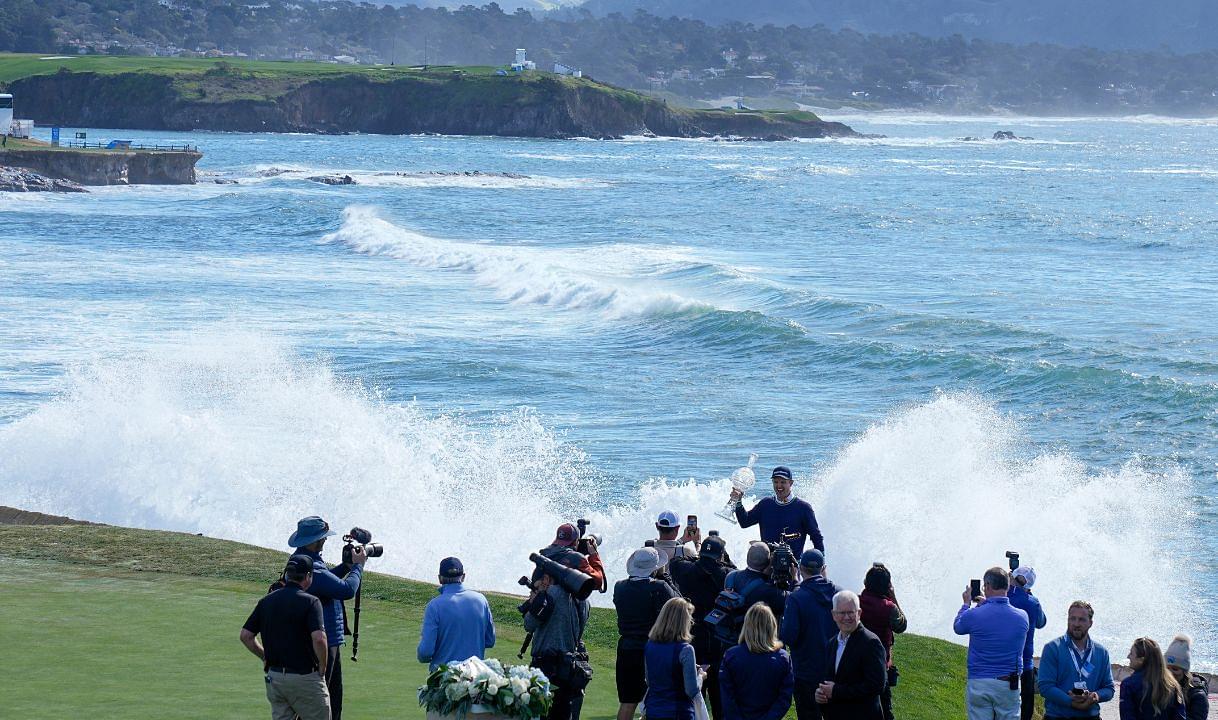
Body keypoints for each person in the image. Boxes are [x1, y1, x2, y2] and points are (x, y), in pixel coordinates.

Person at [289, 515, 365, 720]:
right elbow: (348, 590)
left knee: (330, 698)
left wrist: (345, 567)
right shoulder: (313, 566)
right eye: (322, 538)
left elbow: (325, 580)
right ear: (314, 541)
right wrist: (358, 566)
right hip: (324, 639)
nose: (325, 540)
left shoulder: (303, 560)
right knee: (323, 700)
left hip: (324, 637)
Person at [240, 554, 331, 720]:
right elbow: (319, 638)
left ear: (288, 575)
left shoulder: (266, 601)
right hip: (305, 678)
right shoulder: (311, 602)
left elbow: (246, 636)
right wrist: (323, 666)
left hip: (275, 678)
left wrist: (265, 656)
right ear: (308, 576)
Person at [953, 566, 1029, 720]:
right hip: (1008, 683)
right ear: (1007, 586)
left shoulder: (975, 614)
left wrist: (966, 604)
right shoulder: (1022, 616)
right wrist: (986, 604)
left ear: (987, 586)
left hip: (979, 681)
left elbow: (958, 627)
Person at [522, 553, 592, 720]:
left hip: (545, 666)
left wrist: (534, 600)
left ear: (547, 577)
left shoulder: (550, 594)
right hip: (568, 667)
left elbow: (529, 624)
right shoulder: (583, 601)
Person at [614, 547, 680, 720]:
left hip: (627, 648)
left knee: (628, 702)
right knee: (656, 700)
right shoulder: (659, 587)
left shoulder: (620, 586)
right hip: (653, 648)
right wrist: (665, 576)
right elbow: (680, 604)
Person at [780, 549, 842, 720]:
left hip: (806, 673)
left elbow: (788, 636)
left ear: (800, 569)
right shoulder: (840, 593)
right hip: (837, 671)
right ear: (824, 569)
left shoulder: (796, 598)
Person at [678, 535, 735, 720]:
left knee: (690, 698)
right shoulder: (726, 574)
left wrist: (692, 548)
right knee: (719, 701)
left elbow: (675, 560)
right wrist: (724, 558)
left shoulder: (684, 569)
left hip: (691, 639)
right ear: (720, 556)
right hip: (717, 641)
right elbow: (737, 573)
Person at [1037, 600, 1115, 719]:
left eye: (1082, 619)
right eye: (1072, 618)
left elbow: (1109, 688)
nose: (1076, 623)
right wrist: (1070, 702)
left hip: (1090, 716)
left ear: (1090, 623)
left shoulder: (1101, 652)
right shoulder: (1052, 648)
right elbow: (1045, 687)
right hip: (1058, 717)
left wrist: (1096, 696)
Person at [815, 590, 887, 720]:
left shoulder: (870, 643)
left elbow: (876, 686)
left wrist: (836, 691)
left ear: (859, 613)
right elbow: (828, 678)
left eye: (851, 612)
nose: (847, 617)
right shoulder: (832, 643)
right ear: (834, 615)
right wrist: (821, 693)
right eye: (842, 613)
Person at [417, 556, 496, 671]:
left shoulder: (434, 606)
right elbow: (490, 641)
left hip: (444, 679)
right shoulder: (481, 600)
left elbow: (425, 652)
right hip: (475, 678)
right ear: (463, 577)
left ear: (440, 578)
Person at [720, 603, 795, 720]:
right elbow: (784, 698)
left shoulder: (732, 655)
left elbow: (727, 697)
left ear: (747, 625)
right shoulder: (783, 658)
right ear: (772, 626)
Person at [731, 466, 824, 558]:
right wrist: (738, 502)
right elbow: (745, 522)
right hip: (767, 564)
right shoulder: (765, 504)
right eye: (776, 482)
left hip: (793, 566)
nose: (779, 486)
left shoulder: (803, 507)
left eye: (783, 482)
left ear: (791, 483)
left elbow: (816, 536)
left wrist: (821, 560)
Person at [859, 563, 907, 720]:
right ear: (887, 587)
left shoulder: (856, 602)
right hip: (881, 665)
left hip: (857, 663)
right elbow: (901, 626)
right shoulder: (889, 607)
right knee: (885, 711)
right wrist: (893, 597)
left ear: (866, 583)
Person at [644, 597, 703, 720]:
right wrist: (700, 677)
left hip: (653, 709)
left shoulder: (650, 645)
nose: (691, 621)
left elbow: (650, 681)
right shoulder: (685, 649)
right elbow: (691, 691)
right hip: (678, 712)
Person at [1007, 566, 1047, 720]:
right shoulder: (1032, 603)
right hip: (1026, 665)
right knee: (1025, 713)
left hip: (1003, 666)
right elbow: (1042, 622)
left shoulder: (1001, 596)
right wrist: (1030, 596)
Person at [1120, 637, 1186, 720]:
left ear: (1141, 660)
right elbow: (1180, 717)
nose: (1128, 656)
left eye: (1131, 653)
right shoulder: (1172, 684)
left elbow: (1127, 717)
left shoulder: (1128, 685)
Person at [536, 522, 606, 591]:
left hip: (544, 595)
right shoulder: (576, 558)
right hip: (563, 599)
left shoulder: (546, 553)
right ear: (576, 542)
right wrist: (593, 554)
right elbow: (598, 582)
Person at [1164, 634, 1209, 720]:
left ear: (1184, 671)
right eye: (1167, 668)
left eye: (1175, 669)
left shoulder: (1198, 696)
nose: (1170, 673)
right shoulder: (1160, 687)